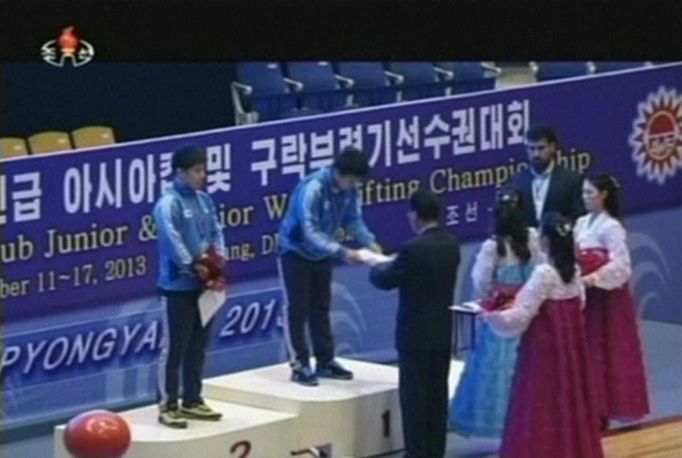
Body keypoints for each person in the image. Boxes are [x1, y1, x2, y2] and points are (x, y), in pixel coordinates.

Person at [484, 212, 604, 458]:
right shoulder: (574, 272)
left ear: (546, 241)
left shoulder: (545, 274)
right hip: (571, 352)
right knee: (570, 403)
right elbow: (579, 305)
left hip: (543, 353)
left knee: (540, 406)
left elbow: (520, 316)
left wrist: (489, 315)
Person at [277, 147, 382, 386]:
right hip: (295, 251)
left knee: (321, 307)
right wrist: (342, 251)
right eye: (352, 179)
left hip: (322, 253)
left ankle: (325, 360)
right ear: (338, 172)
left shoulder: (352, 189)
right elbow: (309, 230)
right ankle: (299, 364)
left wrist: (370, 243)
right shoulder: (312, 189)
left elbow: (354, 220)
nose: (354, 184)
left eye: (357, 181)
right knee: (297, 309)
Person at [369, 190, 461, 458]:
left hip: (415, 334)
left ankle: (417, 453)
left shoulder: (413, 249)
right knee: (437, 396)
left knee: (414, 399)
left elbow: (385, 280)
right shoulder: (452, 243)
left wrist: (375, 263)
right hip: (443, 331)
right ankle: (435, 451)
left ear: (415, 216)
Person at [449, 187, 544, 438]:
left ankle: (497, 422)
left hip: (500, 312)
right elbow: (541, 272)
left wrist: (496, 294)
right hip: (527, 309)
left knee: (493, 366)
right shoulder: (533, 239)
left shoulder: (493, 247)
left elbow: (480, 280)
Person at [153, 145, 225, 428]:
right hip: (177, 287)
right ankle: (167, 405)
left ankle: (193, 400)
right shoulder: (167, 204)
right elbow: (171, 242)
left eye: (204, 170)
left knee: (199, 345)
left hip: (205, 285)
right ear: (179, 172)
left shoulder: (205, 200)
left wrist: (218, 262)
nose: (202, 176)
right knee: (174, 349)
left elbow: (217, 232)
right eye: (196, 171)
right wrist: (194, 265)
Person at [575, 173, 650, 430]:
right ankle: (590, 410)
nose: (584, 198)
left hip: (608, 300)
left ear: (603, 195)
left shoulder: (611, 227)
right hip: (588, 299)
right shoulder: (581, 223)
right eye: (583, 193)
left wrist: (594, 277)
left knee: (608, 351)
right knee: (588, 352)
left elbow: (622, 265)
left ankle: (608, 406)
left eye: (589, 193)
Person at [509, 125, 585, 227]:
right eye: (531, 149)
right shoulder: (517, 181)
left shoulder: (571, 179)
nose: (536, 154)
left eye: (541, 148)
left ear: (552, 147)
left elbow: (579, 217)